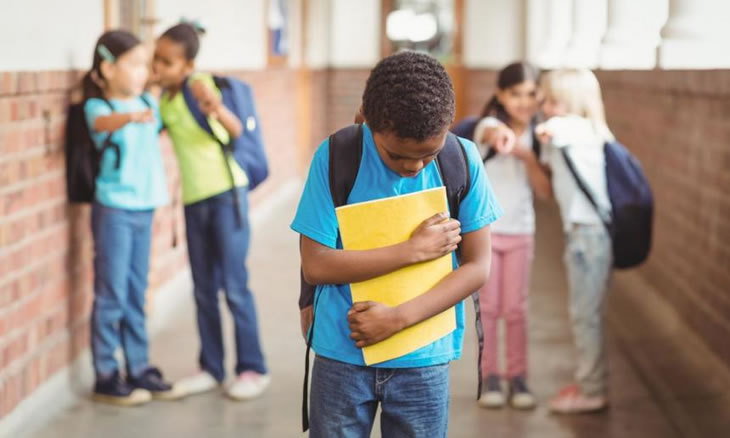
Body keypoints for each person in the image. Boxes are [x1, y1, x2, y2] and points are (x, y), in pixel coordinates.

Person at [291, 51, 502, 437]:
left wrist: (397, 318)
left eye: (428, 154)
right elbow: (317, 263)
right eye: (398, 154)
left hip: (424, 358)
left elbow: (477, 266)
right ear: (370, 123)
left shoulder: (462, 160)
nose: (414, 167)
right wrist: (412, 251)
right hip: (343, 351)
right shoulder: (337, 156)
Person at [152, 22, 269, 400]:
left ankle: (252, 368)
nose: (158, 67)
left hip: (225, 196)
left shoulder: (198, 84)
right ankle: (211, 366)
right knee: (203, 289)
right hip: (193, 202)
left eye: (166, 62)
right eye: (155, 59)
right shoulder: (166, 98)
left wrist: (216, 108)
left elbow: (236, 131)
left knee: (234, 287)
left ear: (187, 64)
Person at [83, 30, 180, 405]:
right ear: (106, 68)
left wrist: (147, 97)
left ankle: (138, 366)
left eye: (146, 65)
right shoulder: (100, 109)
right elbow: (102, 125)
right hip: (113, 210)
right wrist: (130, 116)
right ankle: (106, 373)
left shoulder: (146, 101)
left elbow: (154, 105)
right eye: (134, 64)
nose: (143, 72)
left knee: (136, 292)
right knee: (111, 293)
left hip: (144, 209)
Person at [470, 62, 552, 410]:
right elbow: (490, 133)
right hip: (486, 234)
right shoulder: (488, 125)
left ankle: (518, 377)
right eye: (515, 93)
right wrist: (502, 138)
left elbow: (545, 191)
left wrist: (527, 155)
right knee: (488, 308)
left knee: (515, 309)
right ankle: (489, 376)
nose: (523, 101)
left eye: (530, 94)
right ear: (501, 95)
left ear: (540, 96)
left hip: (521, 231)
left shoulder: (542, 135)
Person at [537, 68, 614, 414]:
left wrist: (546, 125)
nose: (547, 108)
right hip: (584, 234)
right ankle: (588, 380)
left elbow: (550, 130)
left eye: (553, 101)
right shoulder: (584, 133)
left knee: (586, 317)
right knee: (585, 313)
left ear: (572, 103)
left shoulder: (577, 129)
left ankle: (593, 390)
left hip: (588, 235)